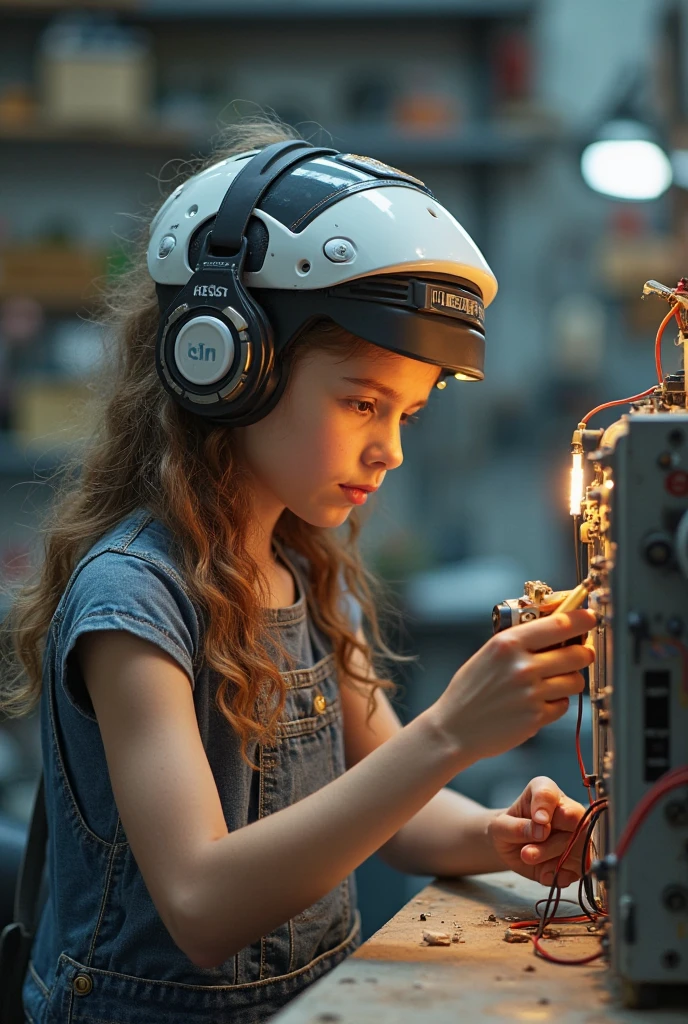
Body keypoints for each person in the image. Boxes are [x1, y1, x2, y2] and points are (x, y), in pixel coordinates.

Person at [1, 118, 596, 1024]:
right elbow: (200, 905)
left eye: (407, 414)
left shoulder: (309, 573)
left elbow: (398, 807)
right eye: (361, 402)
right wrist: (449, 732)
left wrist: (501, 835)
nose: (390, 449)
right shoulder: (133, 601)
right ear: (225, 362)